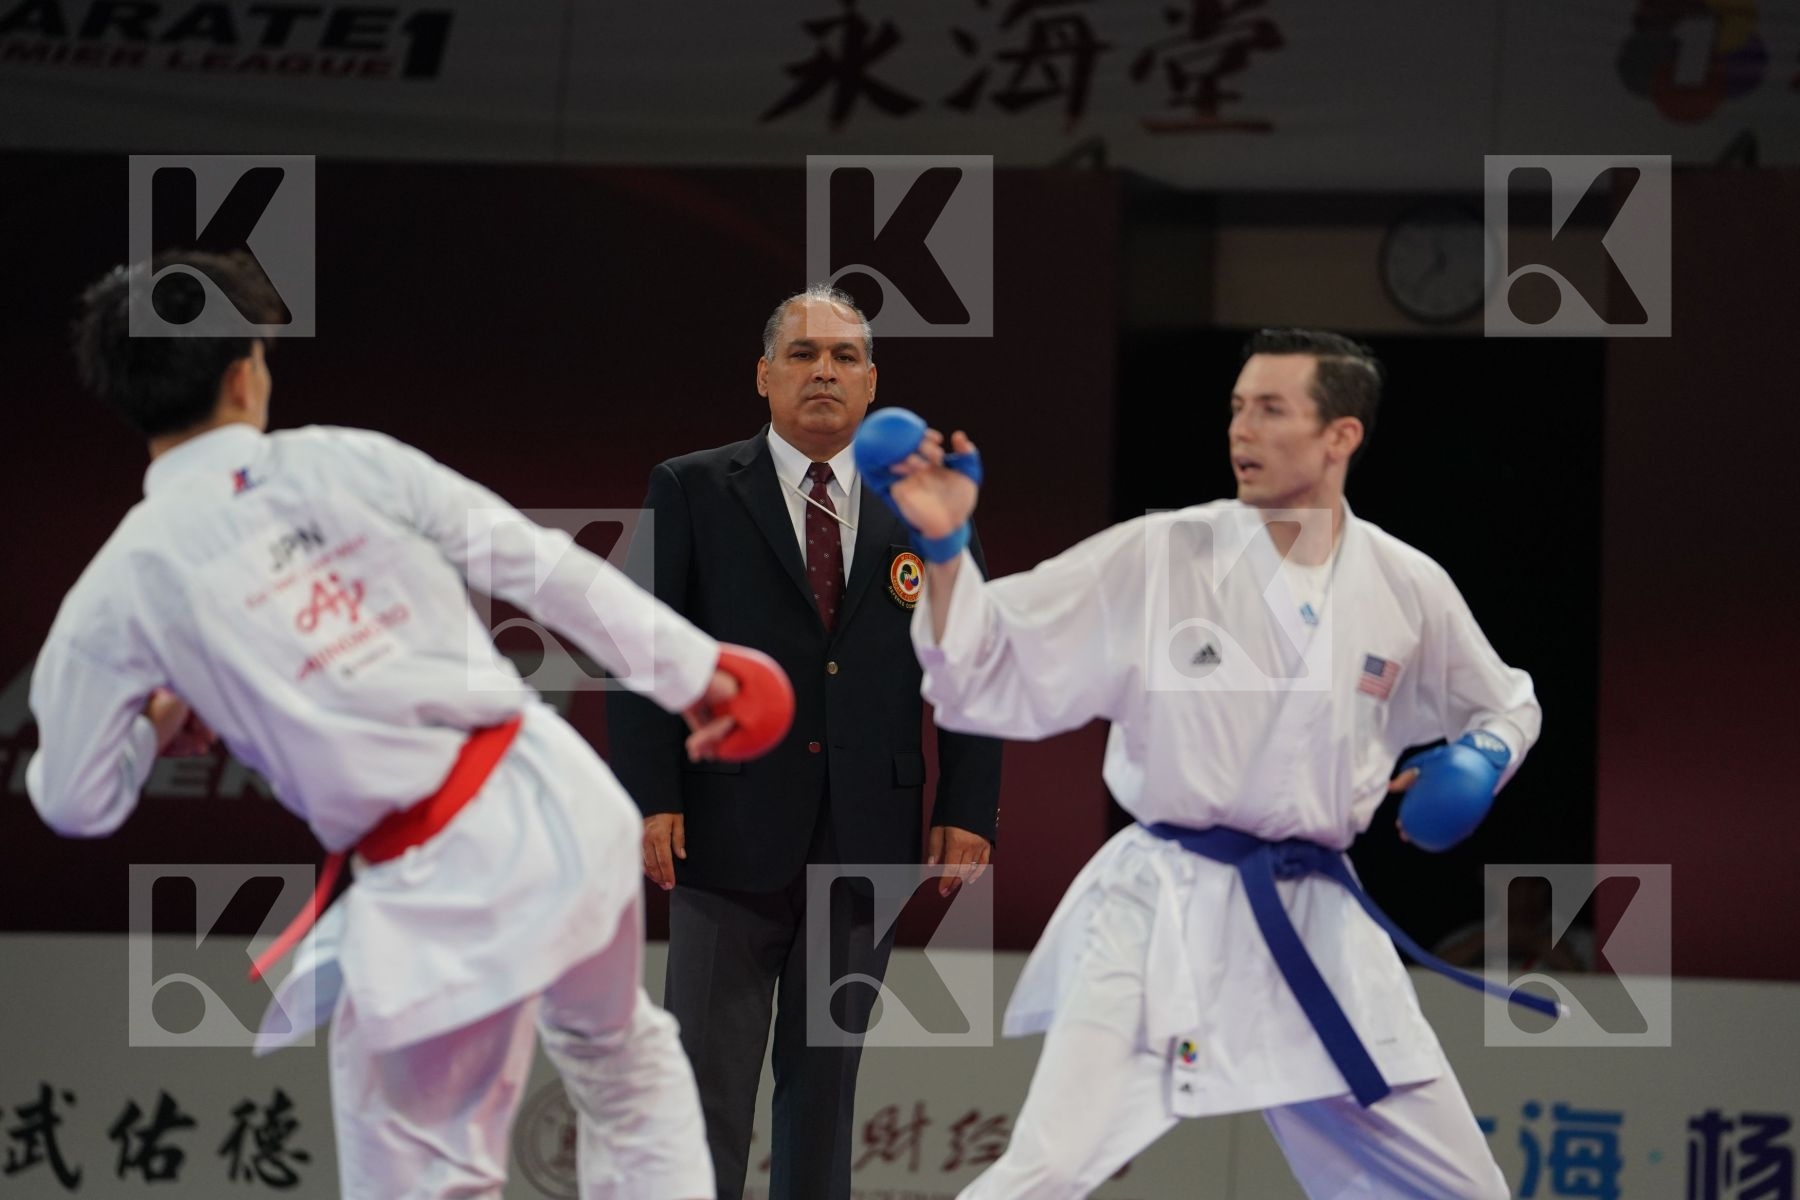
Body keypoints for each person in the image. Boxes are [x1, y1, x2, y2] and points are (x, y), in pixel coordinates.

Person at [27, 250, 787, 1200]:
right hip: (556, 800)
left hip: (436, 891)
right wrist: (701, 673)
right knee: (625, 1059)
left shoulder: (119, 588)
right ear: (243, 371)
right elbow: (534, 559)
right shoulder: (346, 457)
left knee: (428, 1177)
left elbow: (75, 801)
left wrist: (151, 720)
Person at [883, 328, 1540, 1199]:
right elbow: (988, 662)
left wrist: (1480, 757)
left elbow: (1506, 700)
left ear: (1340, 435)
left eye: (1271, 410)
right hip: (1164, 912)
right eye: (1236, 408)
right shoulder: (1161, 553)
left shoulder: (1403, 583)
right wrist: (944, 549)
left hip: (1317, 926)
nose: (1242, 430)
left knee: (1466, 1191)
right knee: (1047, 1169)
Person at [605, 285, 1004, 1200]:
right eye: (802, 354)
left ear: (873, 384)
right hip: (723, 830)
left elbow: (974, 656)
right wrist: (650, 797)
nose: (824, 370)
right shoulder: (694, 486)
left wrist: (967, 805)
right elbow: (640, 648)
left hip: (868, 834)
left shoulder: (924, 503)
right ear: (763, 376)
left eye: (846, 357)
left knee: (826, 1089)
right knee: (705, 1082)